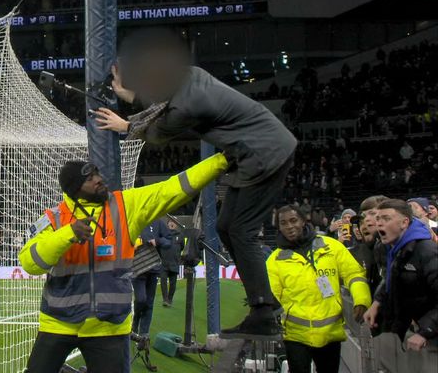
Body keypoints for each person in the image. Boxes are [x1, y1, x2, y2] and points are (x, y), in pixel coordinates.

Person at [97, 28, 297, 339]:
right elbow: (162, 103)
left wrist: (126, 125)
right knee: (227, 226)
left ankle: (264, 311)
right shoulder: (190, 76)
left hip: (264, 154)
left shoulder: (188, 104)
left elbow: (159, 131)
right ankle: (263, 308)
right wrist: (131, 97)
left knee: (239, 230)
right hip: (259, 151)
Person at [19, 152, 229, 373]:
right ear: (74, 188)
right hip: (58, 323)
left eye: (97, 173)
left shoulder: (124, 205)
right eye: (89, 178)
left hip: (109, 328)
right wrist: (67, 234)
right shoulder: (54, 218)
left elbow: (172, 188)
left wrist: (221, 161)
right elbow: (30, 263)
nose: (98, 179)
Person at [268, 205, 371, 373]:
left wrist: (362, 299)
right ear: (278, 227)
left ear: (303, 221)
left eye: (293, 220)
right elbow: (272, 295)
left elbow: (354, 274)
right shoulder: (274, 260)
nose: (289, 226)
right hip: (295, 336)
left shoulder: (332, 247)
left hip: (330, 333)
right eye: (283, 223)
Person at [363, 199, 437, 355]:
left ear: (404, 222)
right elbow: (392, 278)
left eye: (386, 219)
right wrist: (377, 302)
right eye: (378, 219)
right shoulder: (397, 249)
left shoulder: (427, 251)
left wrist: (425, 331)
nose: (379, 224)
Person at [132, 219, 171, 340]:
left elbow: (169, 241)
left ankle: (144, 333)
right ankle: (135, 323)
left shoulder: (158, 222)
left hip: (153, 268)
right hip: (137, 269)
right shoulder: (135, 220)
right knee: (141, 299)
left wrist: (157, 241)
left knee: (149, 302)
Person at [159, 217, 184, 307]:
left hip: (174, 262)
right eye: (170, 222)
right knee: (163, 281)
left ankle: (170, 299)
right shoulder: (162, 235)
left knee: (173, 283)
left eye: (174, 222)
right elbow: (158, 247)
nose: (172, 223)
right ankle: (165, 299)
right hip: (164, 262)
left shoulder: (180, 235)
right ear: (168, 224)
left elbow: (182, 247)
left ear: (176, 225)